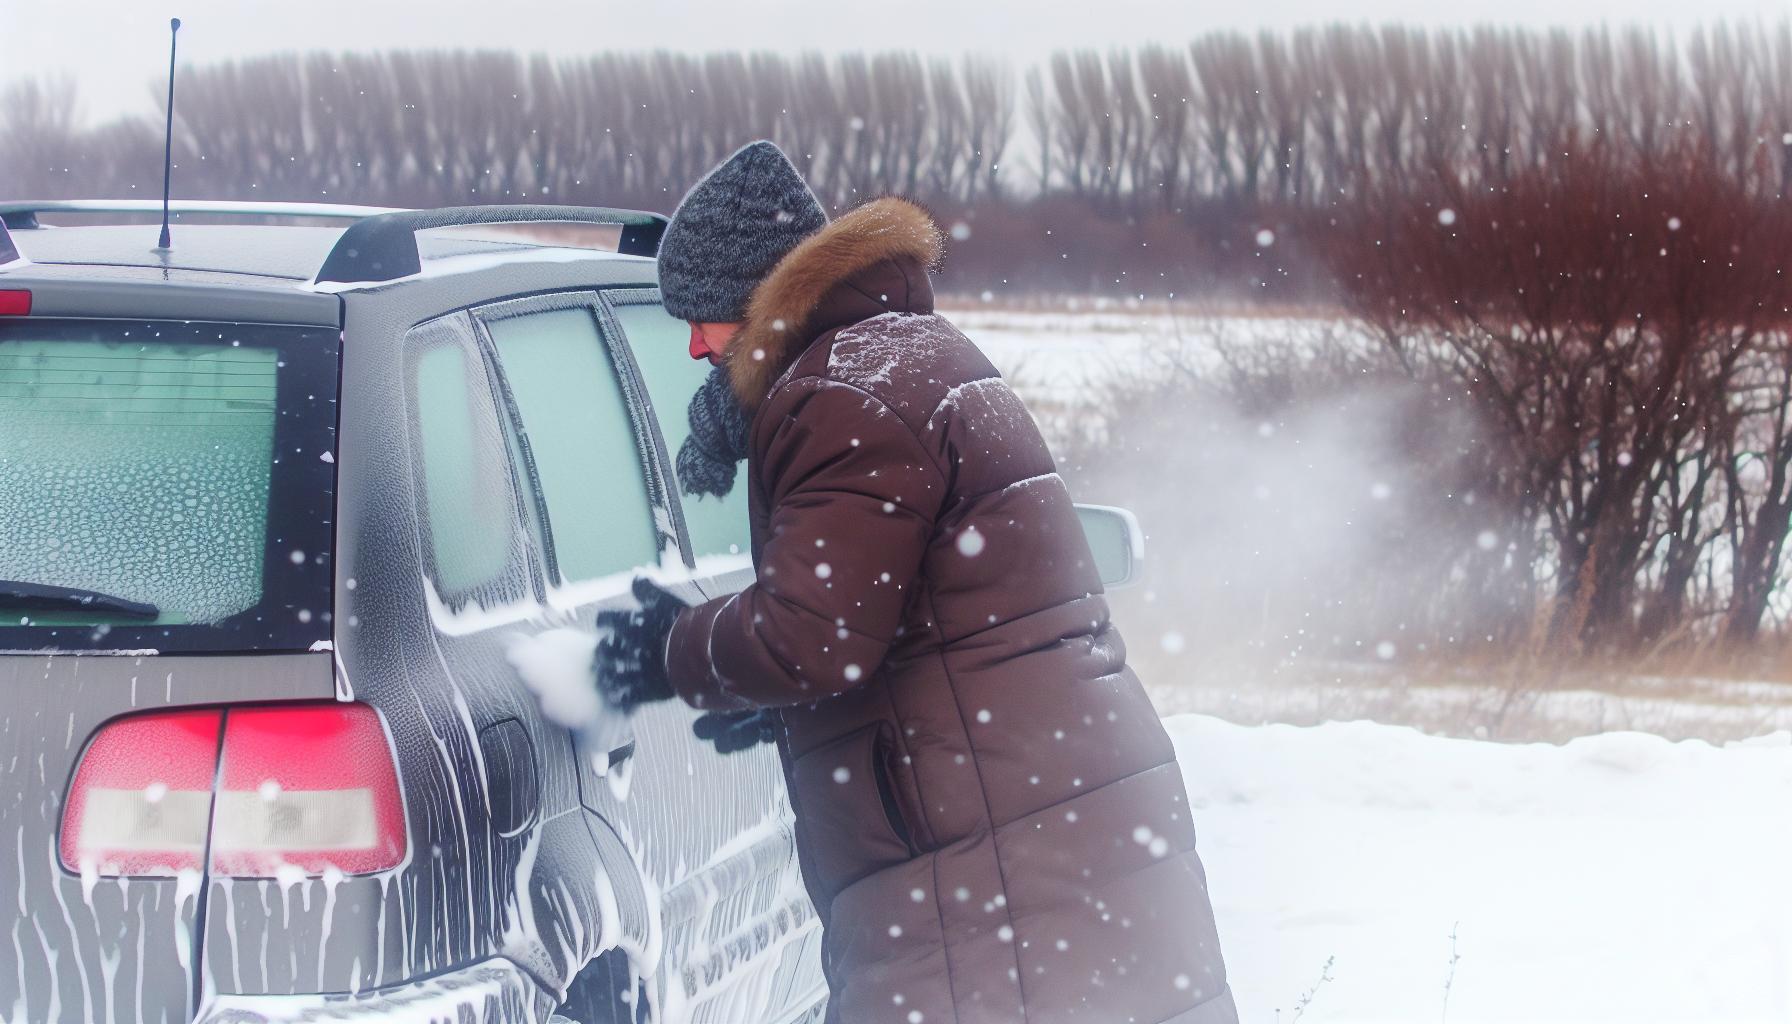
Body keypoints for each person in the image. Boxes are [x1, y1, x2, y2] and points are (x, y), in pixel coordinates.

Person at [593, 140, 1236, 1024]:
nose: (697, 343)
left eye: (706, 315)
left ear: (763, 297)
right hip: (1031, 825)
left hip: (983, 861)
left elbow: (811, 635)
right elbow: (894, 605)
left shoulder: (845, 396)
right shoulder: (899, 357)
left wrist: (671, 647)